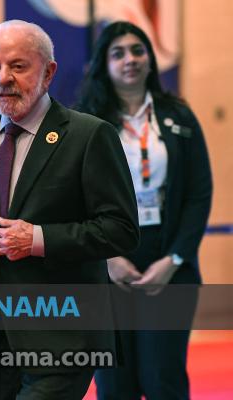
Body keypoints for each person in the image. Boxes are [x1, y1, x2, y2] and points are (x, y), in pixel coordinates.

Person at [0, 20, 139, 400]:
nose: (3, 78)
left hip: (66, 337)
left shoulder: (89, 136)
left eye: (18, 66)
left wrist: (39, 239)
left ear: (48, 72)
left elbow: (121, 229)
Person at [76, 21, 213, 400]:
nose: (130, 60)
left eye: (138, 50)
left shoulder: (179, 116)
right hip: (108, 261)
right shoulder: (85, 123)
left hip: (168, 261)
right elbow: (72, 198)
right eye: (117, 53)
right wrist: (106, 259)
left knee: (162, 378)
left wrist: (174, 259)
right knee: (114, 383)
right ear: (104, 64)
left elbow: (198, 194)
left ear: (150, 59)